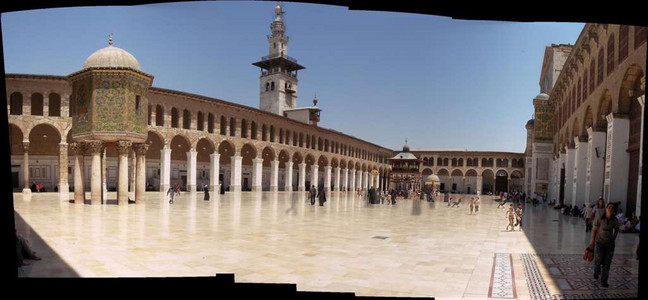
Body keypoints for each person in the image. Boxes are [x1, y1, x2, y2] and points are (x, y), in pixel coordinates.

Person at [588, 203, 620, 288]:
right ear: (606, 208)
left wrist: (614, 238)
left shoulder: (615, 219)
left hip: (610, 244)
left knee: (607, 263)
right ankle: (596, 271)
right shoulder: (600, 218)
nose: (610, 209)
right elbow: (594, 230)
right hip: (599, 243)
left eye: (612, 208)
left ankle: (604, 281)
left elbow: (617, 228)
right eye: (609, 207)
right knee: (598, 260)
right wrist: (592, 242)